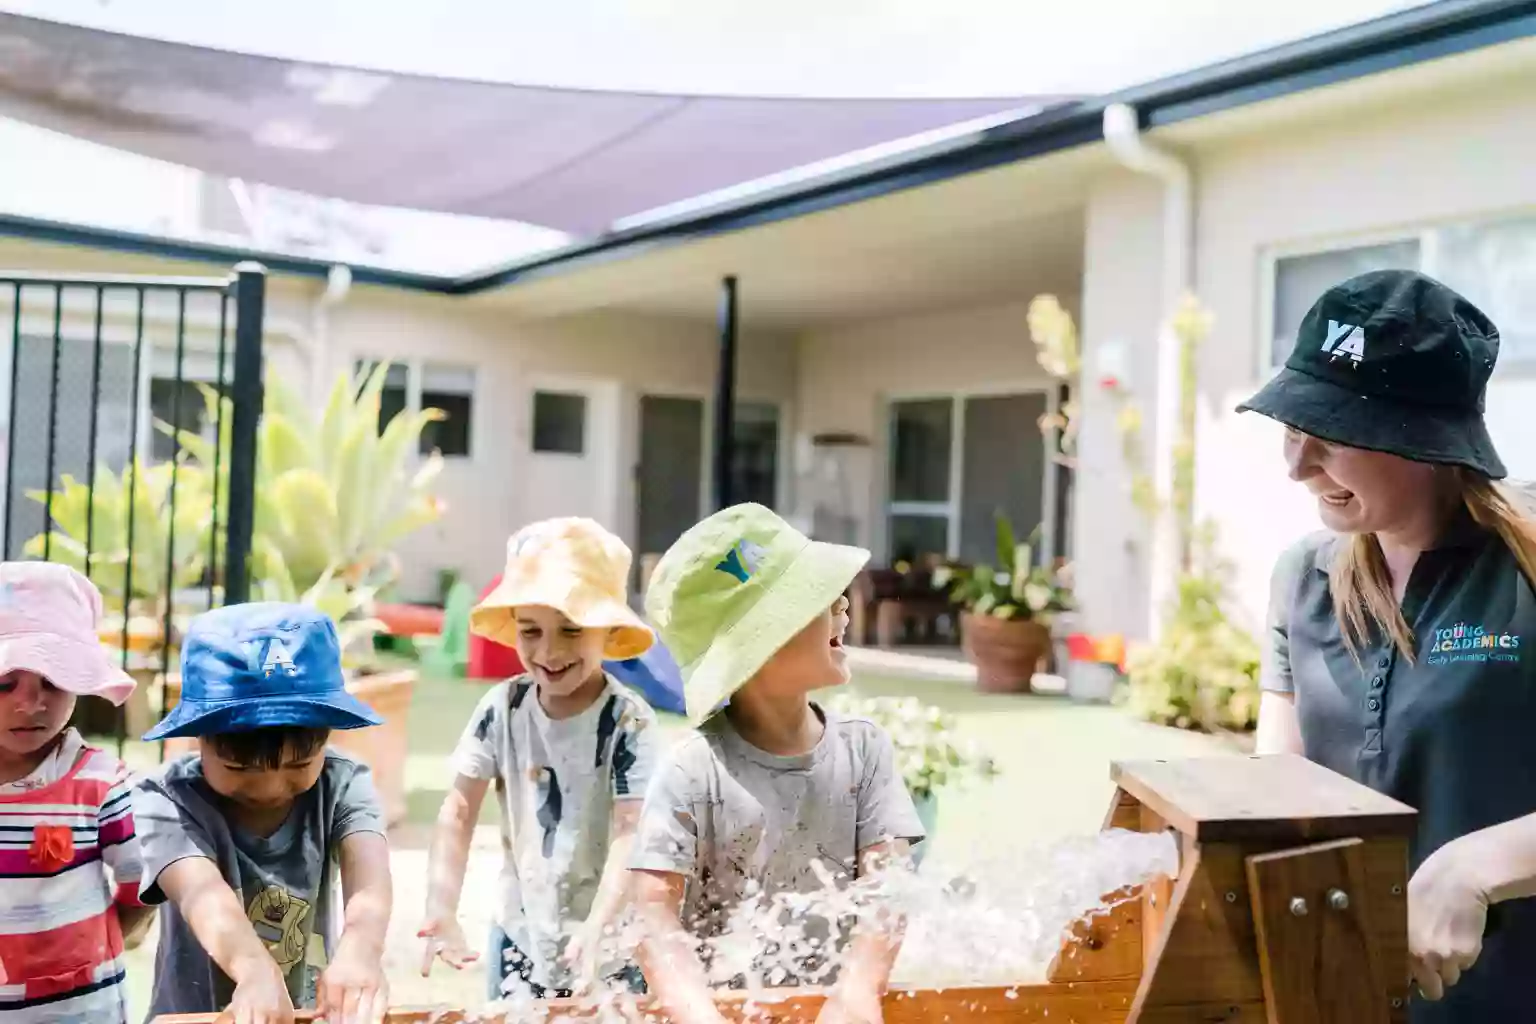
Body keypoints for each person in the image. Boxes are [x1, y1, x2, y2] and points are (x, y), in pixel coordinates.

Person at [1240, 268, 1536, 1021]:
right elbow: (1278, 792)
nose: (1297, 464)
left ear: (1429, 442)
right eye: (1292, 426)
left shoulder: (1525, 566)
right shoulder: (1303, 578)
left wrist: (1480, 863)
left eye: (1331, 434)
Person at [628, 503, 926, 1024]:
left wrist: (857, 988)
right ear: (759, 645)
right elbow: (652, 917)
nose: (843, 606)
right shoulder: (694, 771)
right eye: (820, 598)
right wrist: (699, 1014)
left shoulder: (864, 753)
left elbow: (890, 886)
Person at [418, 518, 661, 1001]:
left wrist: (599, 927)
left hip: (608, 940)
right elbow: (459, 811)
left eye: (571, 630)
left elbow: (631, 833)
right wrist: (441, 905)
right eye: (531, 631)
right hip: (520, 932)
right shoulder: (502, 710)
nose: (549, 651)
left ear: (608, 630)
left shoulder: (627, 722)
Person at [133, 602, 393, 1024]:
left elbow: (371, 879)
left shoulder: (343, 782)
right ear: (196, 737)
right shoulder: (164, 799)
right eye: (239, 768)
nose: (269, 787)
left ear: (326, 739)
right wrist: (253, 969)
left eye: (297, 765)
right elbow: (201, 893)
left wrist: (362, 949)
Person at [0, 562, 149, 1022]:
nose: (31, 703)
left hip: (81, 1008)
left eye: (53, 679)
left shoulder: (101, 783)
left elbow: (139, 890)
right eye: (5, 683)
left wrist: (91, 947)